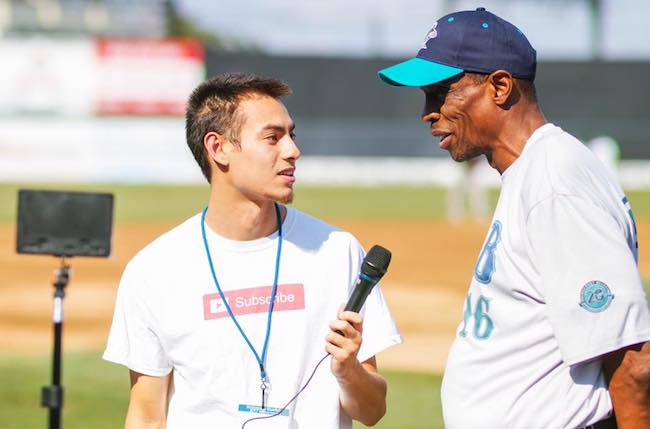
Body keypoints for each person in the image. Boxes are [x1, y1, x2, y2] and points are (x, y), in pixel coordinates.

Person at [378, 7, 650, 429]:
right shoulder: (531, 173)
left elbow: (631, 357)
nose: (428, 113)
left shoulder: (555, 181)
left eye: (440, 93)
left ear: (500, 86)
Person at [103, 73, 402, 428]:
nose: (293, 150)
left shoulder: (339, 252)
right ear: (218, 148)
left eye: (292, 135)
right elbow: (146, 417)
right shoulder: (153, 271)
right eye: (272, 138)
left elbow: (372, 412)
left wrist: (348, 370)